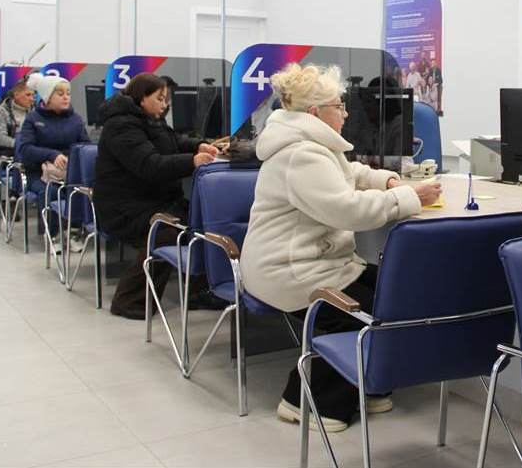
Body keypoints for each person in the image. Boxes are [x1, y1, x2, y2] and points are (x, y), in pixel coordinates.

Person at [240, 62, 441, 433]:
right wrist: (407, 197)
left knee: (395, 294)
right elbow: (347, 210)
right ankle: (305, 401)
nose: (347, 113)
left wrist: (388, 181)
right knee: (361, 312)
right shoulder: (301, 154)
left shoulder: (313, 146)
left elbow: (351, 174)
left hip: (316, 263)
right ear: (316, 113)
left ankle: (366, 382)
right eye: (339, 106)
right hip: (287, 270)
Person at [94, 73, 220, 319]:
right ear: (142, 98)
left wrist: (199, 145)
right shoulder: (121, 126)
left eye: (166, 99)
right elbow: (149, 165)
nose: (165, 104)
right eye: (160, 98)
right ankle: (130, 300)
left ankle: (200, 290)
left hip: (152, 200)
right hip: (124, 207)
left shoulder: (151, 120)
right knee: (166, 232)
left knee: (205, 221)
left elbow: (172, 141)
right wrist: (192, 161)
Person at [17, 74, 91, 250]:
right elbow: (25, 149)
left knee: (78, 190)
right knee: (50, 192)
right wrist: (51, 155)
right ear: (47, 97)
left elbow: (85, 146)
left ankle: (74, 231)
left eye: (68, 93)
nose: (66, 97)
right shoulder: (33, 119)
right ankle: (53, 235)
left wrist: (72, 157)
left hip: (68, 172)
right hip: (39, 173)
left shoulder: (75, 119)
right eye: (60, 93)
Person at [0, 79, 35, 167]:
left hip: (27, 152)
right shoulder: (1, 112)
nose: (32, 99)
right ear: (16, 95)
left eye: (33, 95)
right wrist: (21, 145)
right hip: (3, 154)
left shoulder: (33, 112)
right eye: (28, 95)